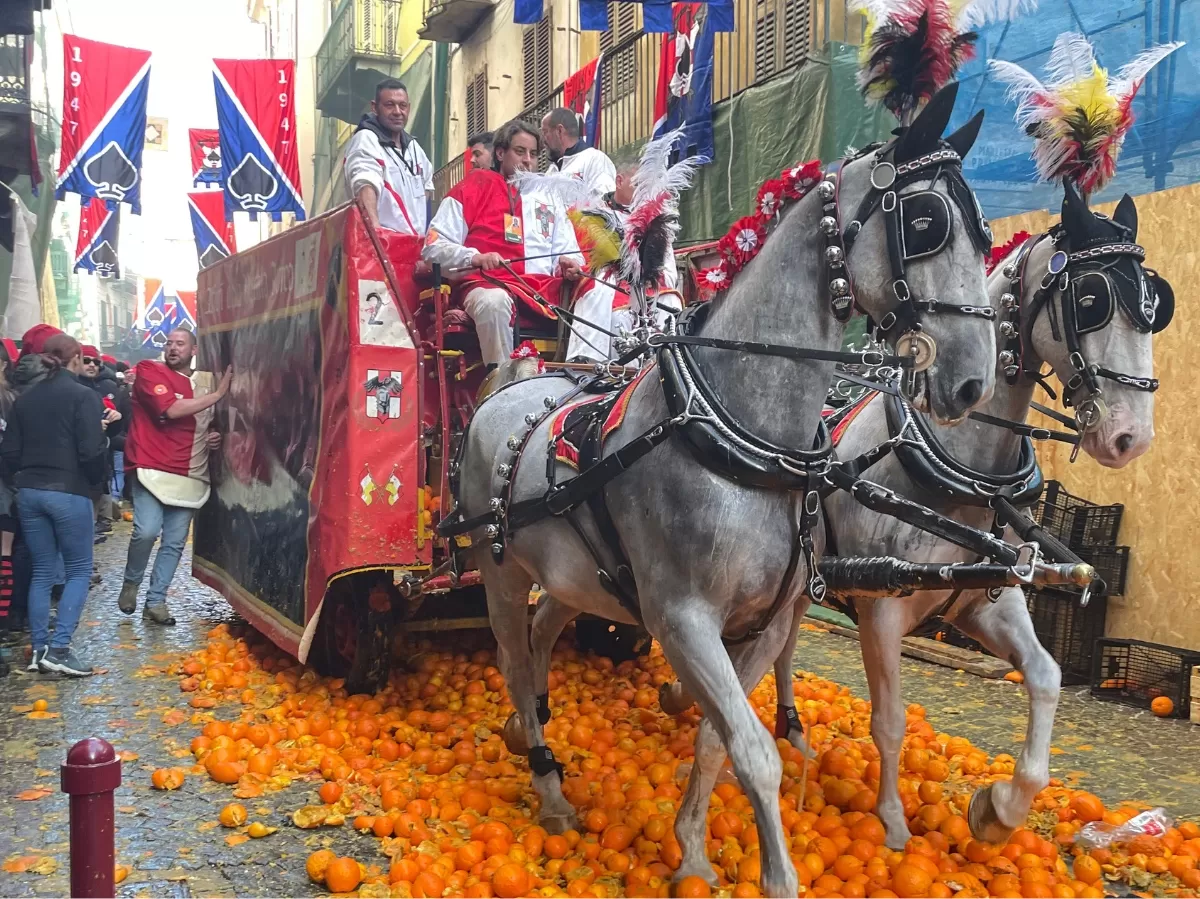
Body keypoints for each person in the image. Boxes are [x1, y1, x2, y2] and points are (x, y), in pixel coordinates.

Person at [423, 119, 585, 368]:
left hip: (543, 294)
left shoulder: (549, 196)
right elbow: (433, 248)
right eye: (520, 151)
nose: (527, 160)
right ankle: (502, 389)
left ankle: (584, 378)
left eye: (533, 154)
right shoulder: (474, 186)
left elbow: (571, 253)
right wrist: (475, 257)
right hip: (485, 286)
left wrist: (571, 264)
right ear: (500, 153)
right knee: (494, 302)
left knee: (598, 293)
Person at [1, 333, 108, 676]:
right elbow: (92, 451)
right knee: (77, 570)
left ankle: (38, 650)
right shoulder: (83, 396)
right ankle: (60, 648)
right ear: (76, 358)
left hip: (29, 492)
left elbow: (10, 452)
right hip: (69, 490)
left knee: (42, 572)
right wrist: (95, 480)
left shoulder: (25, 399)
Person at [119, 329, 231, 625]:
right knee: (145, 531)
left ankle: (156, 601)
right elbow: (170, 409)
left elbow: (210, 422)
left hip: (192, 472)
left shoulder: (203, 381)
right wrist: (218, 394)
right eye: (168, 343)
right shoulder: (149, 370)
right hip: (150, 465)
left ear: (194, 349)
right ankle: (131, 583)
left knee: (175, 542)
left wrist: (213, 436)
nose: (172, 348)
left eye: (180, 344)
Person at [566, 162, 682, 364]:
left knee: (671, 302)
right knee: (610, 303)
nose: (642, 193)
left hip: (649, 287)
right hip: (609, 286)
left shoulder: (655, 219)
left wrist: (651, 276)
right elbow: (576, 254)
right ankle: (595, 364)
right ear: (619, 181)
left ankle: (669, 362)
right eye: (638, 185)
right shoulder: (591, 213)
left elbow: (669, 268)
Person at [344, 78, 434, 238]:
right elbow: (365, 185)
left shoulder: (414, 147)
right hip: (385, 247)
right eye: (389, 105)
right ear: (375, 107)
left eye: (403, 105)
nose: (398, 112)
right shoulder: (366, 139)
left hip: (414, 250)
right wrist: (376, 235)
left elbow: (426, 187)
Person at [79, 345, 123, 532]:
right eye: (86, 361)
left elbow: (112, 432)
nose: (91, 365)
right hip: (77, 465)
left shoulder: (100, 388)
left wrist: (116, 419)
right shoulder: (76, 388)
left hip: (98, 460)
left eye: (96, 362)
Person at [541, 107, 616, 199]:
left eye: (545, 132)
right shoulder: (551, 171)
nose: (543, 140)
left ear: (559, 131)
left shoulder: (595, 159)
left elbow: (603, 202)